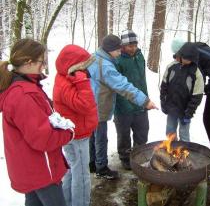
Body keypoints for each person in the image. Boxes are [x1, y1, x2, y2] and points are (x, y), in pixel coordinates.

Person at [0, 39, 73, 206]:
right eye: (42, 61)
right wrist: (68, 133)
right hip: (41, 169)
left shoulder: (24, 86)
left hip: (31, 168)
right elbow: (42, 138)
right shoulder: (23, 94)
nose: (44, 66)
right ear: (28, 62)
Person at [88, 34, 157, 179]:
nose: (120, 53)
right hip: (100, 104)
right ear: (110, 49)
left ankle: (93, 163)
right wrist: (145, 101)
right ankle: (101, 167)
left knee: (95, 136)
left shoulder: (96, 57)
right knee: (100, 137)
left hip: (93, 103)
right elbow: (122, 85)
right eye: (118, 50)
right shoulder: (106, 65)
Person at [53, 45, 98, 206]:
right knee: (82, 176)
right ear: (74, 67)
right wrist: (81, 79)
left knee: (73, 171)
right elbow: (85, 104)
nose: (86, 70)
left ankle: (67, 202)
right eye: (83, 66)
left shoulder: (65, 78)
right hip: (77, 136)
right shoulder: (67, 83)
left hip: (75, 132)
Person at [114, 30, 149, 170]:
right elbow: (117, 84)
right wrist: (124, 103)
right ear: (122, 46)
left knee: (142, 130)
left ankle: (139, 154)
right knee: (124, 133)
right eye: (129, 45)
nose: (132, 48)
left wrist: (145, 98)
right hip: (123, 104)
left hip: (141, 102)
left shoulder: (140, 57)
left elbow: (142, 79)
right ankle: (125, 157)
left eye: (134, 45)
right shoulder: (117, 60)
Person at [160, 42, 204, 142]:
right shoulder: (171, 67)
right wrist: (163, 103)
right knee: (170, 132)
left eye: (189, 59)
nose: (186, 61)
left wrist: (189, 112)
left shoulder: (196, 73)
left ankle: (183, 154)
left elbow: (197, 96)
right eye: (185, 58)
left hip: (185, 110)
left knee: (184, 134)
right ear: (180, 55)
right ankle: (170, 151)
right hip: (171, 107)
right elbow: (164, 87)